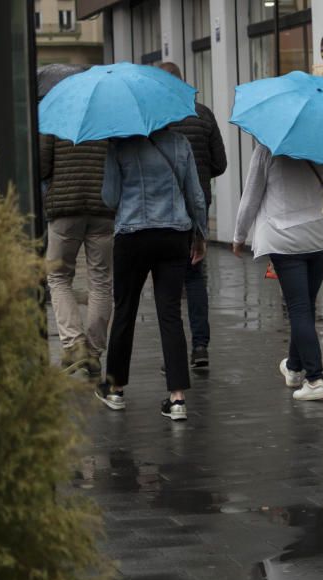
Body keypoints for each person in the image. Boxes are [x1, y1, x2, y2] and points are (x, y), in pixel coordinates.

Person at [96, 128, 207, 421]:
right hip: (174, 234)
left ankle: (116, 389)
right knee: (170, 313)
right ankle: (178, 397)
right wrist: (200, 234)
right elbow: (195, 195)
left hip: (132, 235)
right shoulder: (181, 142)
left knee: (125, 310)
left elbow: (110, 197)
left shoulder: (118, 144)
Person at [232, 142, 323, 401]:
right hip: (321, 236)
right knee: (305, 305)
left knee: (299, 307)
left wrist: (239, 234)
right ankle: (294, 367)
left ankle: (315, 379)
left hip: (284, 237)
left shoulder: (267, 148)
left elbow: (252, 195)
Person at [158, 62, 227, 370]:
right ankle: (200, 346)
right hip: (198, 203)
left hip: (165, 207)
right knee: (195, 275)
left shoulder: (157, 119)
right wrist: (200, 176)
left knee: (168, 280)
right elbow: (221, 163)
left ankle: (174, 352)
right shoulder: (204, 114)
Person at [39, 129, 114, 376]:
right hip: (103, 207)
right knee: (101, 280)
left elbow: (41, 167)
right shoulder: (109, 116)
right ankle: (93, 353)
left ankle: (75, 344)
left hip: (64, 209)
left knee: (58, 276)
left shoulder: (58, 116)